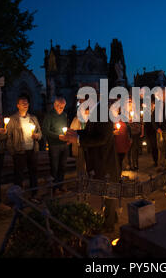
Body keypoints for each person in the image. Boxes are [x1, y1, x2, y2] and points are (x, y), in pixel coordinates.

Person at [61, 98, 121, 232]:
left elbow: (102, 138)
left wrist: (77, 139)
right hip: (99, 161)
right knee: (105, 191)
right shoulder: (96, 111)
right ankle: (113, 217)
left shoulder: (103, 113)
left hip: (105, 161)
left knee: (108, 192)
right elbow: (90, 132)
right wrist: (75, 133)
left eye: (83, 101)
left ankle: (109, 225)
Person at [6, 94, 42, 204]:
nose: (25, 105)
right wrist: (12, 152)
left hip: (32, 149)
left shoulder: (33, 118)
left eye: (27, 103)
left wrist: (37, 136)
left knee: (33, 173)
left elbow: (40, 132)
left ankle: (34, 195)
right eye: (23, 103)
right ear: (18, 105)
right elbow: (9, 137)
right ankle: (18, 198)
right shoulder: (13, 119)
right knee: (19, 175)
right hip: (19, 151)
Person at [43, 96, 69, 194]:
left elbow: (66, 128)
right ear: (54, 105)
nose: (61, 109)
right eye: (59, 106)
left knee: (63, 166)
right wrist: (58, 136)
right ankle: (54, 188)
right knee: (54, 167)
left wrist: (67, 138)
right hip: (54, 145)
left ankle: (60, 185)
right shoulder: (49, 116)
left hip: (64, 145)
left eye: (63, 107)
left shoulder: (64, 115)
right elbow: (45, 130)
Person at [70, 99, 89, 178]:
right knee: (80, 163)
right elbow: (72, 130)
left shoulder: (91, 120)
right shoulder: (77, 119)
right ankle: (81, 179)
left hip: (88, 143)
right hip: (79, 145)